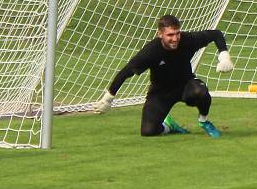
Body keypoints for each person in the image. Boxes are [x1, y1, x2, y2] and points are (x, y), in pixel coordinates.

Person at [93, 15, 235, 138]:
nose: (175, 38)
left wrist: (224, 56)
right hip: (160, 93)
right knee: (148, 131)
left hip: (186, 85)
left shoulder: (187, 40)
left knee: (200, 93)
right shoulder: (151, 52)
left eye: (177, 33)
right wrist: (108, 98)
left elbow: (216, 34)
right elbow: (126, 72)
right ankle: (170, 127)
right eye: (170, 35)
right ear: (160, 34)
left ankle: (204, 121)